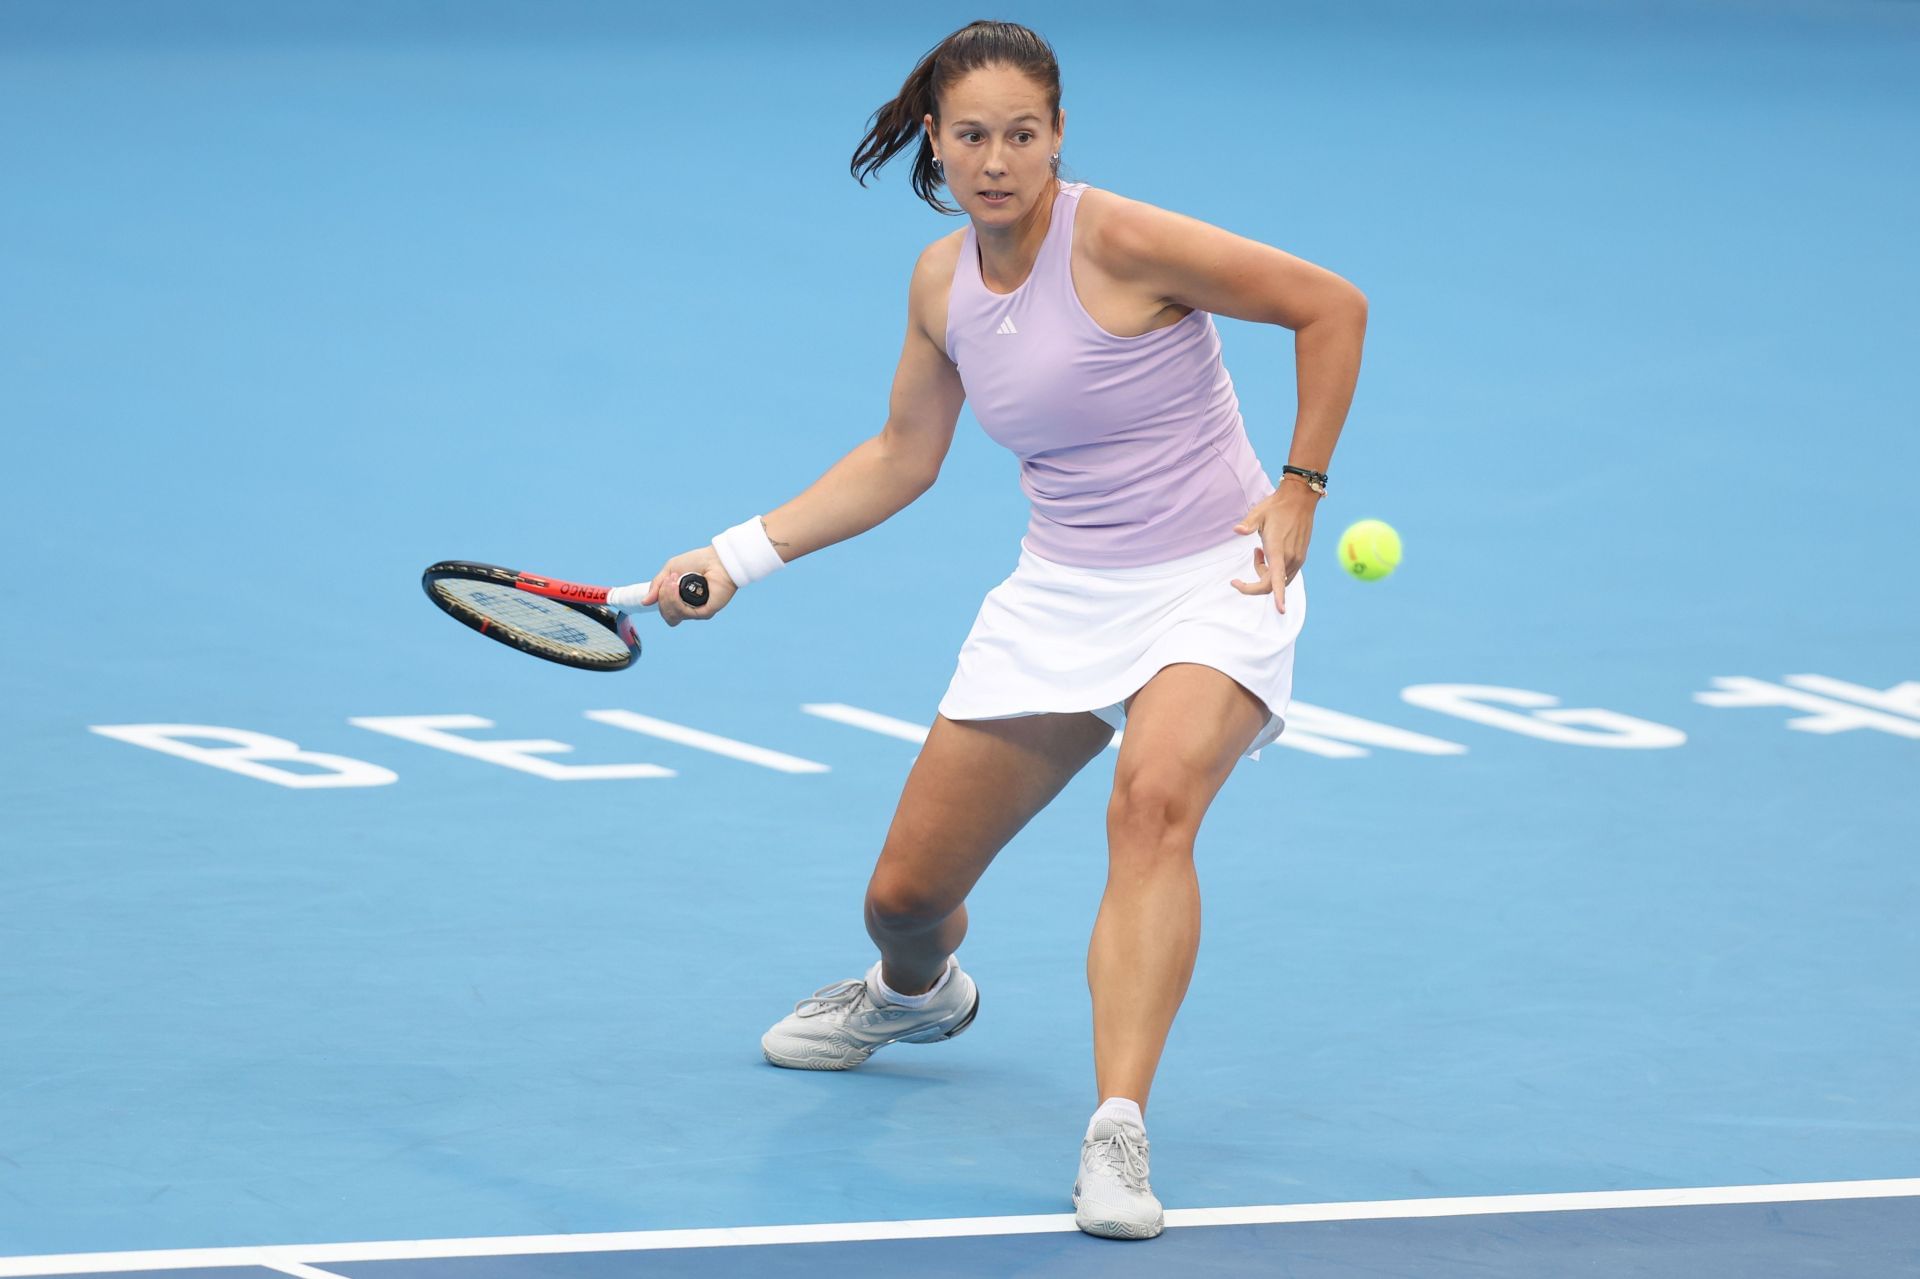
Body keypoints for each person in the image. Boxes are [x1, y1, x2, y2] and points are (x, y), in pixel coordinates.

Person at [636, 20, 1366, 1242]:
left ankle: (1117, 1128)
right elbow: (901, 456)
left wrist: (1300, 486)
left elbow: (1329, 306)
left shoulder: (1122, 239)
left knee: (1152, 808)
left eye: (1023, 134)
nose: (997, 160)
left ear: (1058, 134)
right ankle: (913, 994)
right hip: (1062, 592)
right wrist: (737, 555)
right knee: (904, 896)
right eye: (972, 136)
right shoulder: (942, 285)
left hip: (1215, 574)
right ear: (935, 139)